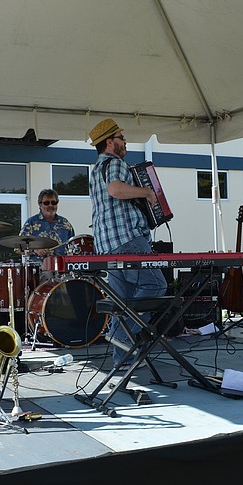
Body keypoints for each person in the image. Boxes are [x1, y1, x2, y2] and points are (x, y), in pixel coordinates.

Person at [88, 118, 167, 370]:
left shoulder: (95, 169)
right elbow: (115, 190)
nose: (125, 142)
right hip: (127, 238)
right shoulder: (115, 163)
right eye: (121, 138)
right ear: (110, 142)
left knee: (123, 301)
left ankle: (123, 359)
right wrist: (146, 193)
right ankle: (122, 338)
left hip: (107, 243)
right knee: (155, 284)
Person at [18, 188, 75, 270]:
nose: (51, 205)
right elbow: (18, 248)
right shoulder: (31, 222)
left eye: (54, 202)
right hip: (38, 271)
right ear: (40, 205)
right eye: (46, 203)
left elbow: (73, 247)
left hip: (62, 270)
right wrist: (35, 250)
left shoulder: (65, 224)